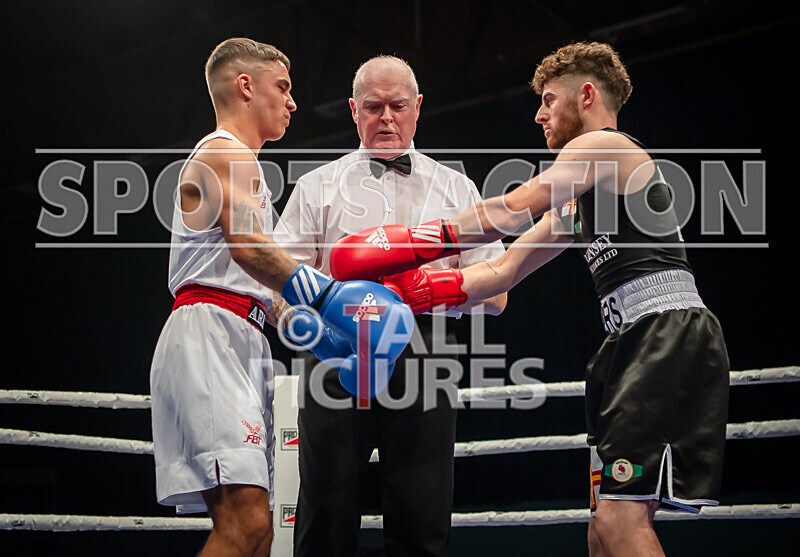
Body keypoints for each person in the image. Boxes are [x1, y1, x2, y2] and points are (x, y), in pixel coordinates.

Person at [330, 42, 730, 557]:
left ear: (586, 95)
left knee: (619, 522)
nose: (539, 113)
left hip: (662, 336)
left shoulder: (600, 147)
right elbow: (501, 272)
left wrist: (403, 240)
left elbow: (513, 206)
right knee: (601, 530)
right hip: (630, 344)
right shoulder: (582, 195)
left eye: (548, 99)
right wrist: (406, 291)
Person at [149, 39, 412, 557]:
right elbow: (249, 250)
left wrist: (329, 337)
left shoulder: (244, 165)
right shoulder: (225, 152)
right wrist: (333, 294)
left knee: (260, 533)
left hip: (239, 335)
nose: (293, 103)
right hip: (211, 336)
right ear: (245, 86)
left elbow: (267, 291)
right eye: (283, 87)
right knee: (244, 528)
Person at [274, 55, 507, 556]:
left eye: (397, 106)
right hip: (336, 347)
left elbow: (499, 292)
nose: (386, 118)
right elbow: (279, 286)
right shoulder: (316, 186)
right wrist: (317, 325)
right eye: (373, 107)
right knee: (325, 509)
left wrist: (428, 284)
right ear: (353, 110)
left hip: (426, 346)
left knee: (421, 512)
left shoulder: (456, 187)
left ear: (418, 107)